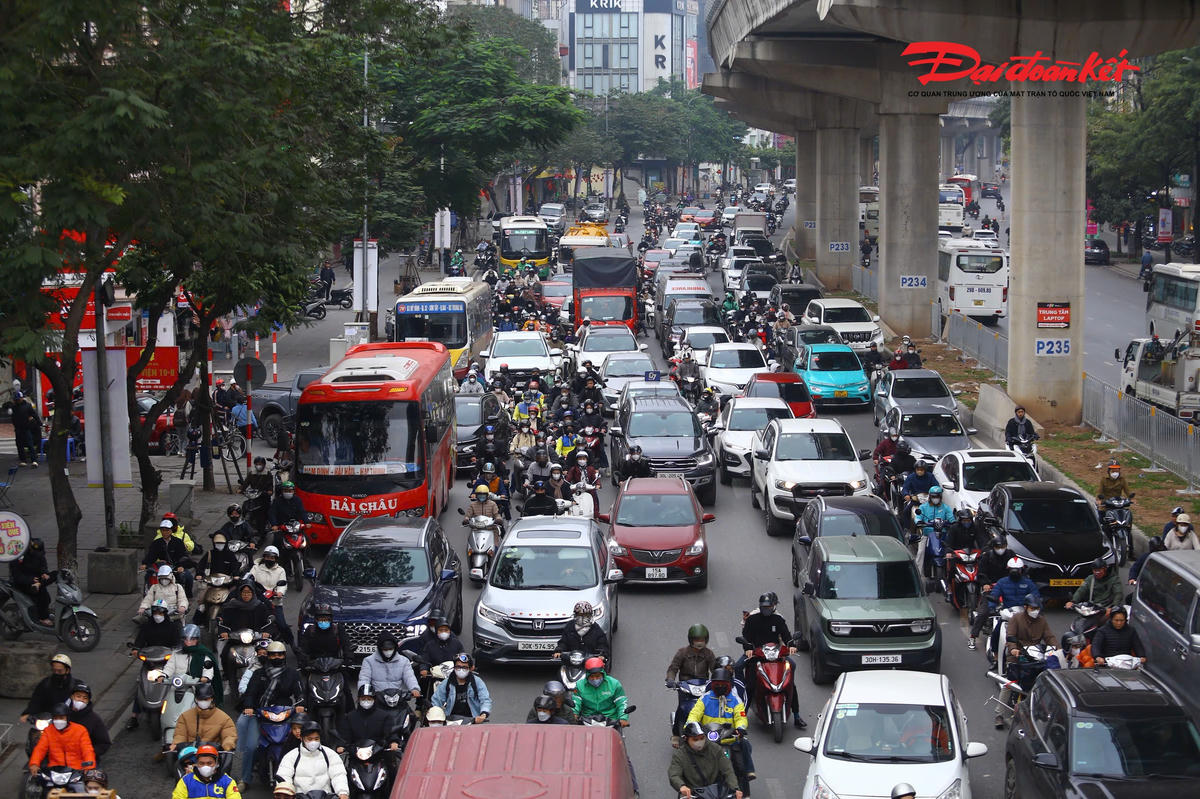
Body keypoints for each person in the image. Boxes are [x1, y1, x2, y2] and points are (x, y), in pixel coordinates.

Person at [738, 592, 805, 728]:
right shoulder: (752, 619)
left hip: (775, 655)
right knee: (746, 678)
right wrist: (748, 648)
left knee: (790, 678)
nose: (766, 609)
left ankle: (797, 715)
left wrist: (791, 645)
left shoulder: (778, 619)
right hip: (756, 655)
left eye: (769, 607)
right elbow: (746, 637)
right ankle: (742, 715)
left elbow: (786, 636)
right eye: (764, 607)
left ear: (773, 606)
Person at [995, 594, 1057, 727]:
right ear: (1026, 607)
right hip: (1017, 656)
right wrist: (1013, 649)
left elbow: (1049, 637)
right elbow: (1010, 636)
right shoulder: (1016, 619)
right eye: (1032, 608)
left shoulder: (1042, 621)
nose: (1035, 611)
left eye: (1037, 608)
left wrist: (1058, 649)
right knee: (1009, 684)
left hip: (1036, 656)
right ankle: (999, 714)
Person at [686, 667, 755, 777]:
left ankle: (748, 777)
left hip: (730, 738)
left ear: (729, 684)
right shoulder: (705, 698)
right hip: (708, 738)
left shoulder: (736, 700)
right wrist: (690, 726)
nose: (720, 686)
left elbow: (741, 717)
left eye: (723, 684)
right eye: (717, 684)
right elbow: (694, 714)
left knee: (743, 754)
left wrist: (741, 728)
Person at [668, 721, 743, 799]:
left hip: (717, 792)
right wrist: (681, 786)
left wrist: (735, 788)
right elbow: (674, 774)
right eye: (695, 739)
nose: (699, 742)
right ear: (686, 739)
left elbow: (727, 770)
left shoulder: (715, 748)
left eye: (702, 738)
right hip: (693, 794)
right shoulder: (680, 754)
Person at [276, 721, 349, 799]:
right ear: (302, 738)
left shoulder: (330, 754)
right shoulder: (291, 756)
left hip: (325, 796)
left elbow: (338, 775)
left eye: (316, 739)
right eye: (309, 739)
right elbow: (284, 776)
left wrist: (342, 792)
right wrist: (286, 793)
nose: (313, 742)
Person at [28, 703, 95, 783]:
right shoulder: (48, 731)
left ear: (67, 718)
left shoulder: (80, 730)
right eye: (56, 718)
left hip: (76, 771)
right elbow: (40, 749)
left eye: (61, 718)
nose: (58, 720)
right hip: (54, 771)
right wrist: (34, 763)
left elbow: (87, 750)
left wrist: (89, 766)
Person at [335, 685, 406, 754]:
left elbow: (390, 732)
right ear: (358, 700)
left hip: (379, 752)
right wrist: (341, 745)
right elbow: (344, 735)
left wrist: (393, 742)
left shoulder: (384, 716)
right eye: (363, 699)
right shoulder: (350, 717)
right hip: (356, 752)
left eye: (369, 699)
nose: (366, 701)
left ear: (374, 700)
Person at [240, 641, 305, 715]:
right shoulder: (258, 673)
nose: (276, 657)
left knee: (301, 720)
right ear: (268, 656)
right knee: (242, 721)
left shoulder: (292, 673)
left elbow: (300, 692)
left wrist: (301, 705)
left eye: (280, 655)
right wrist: (248, 706)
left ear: (284, 656)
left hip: (284, 711)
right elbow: (250, 692)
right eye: (273, 655)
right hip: (259, 711)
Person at [171, 682, 237, 754]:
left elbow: (229, 735)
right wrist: (176, 744)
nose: (203, 701)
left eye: (206, 699)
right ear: (196, 699)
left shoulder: (224, 718)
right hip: (190, 754)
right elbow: (180, 735)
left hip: (213, 755)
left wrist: (228, 745)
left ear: (212, 699)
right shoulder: (185, 716)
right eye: (200, 699)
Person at [247, 546, 292, 645]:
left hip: (274, 603)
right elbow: (250, 579)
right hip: (257, 602)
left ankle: (293, 645)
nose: (269, 559)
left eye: (272, 558)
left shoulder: (280, 570)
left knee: (282, 625)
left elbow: (283, 585)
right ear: (264, 557)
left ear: (276, 559)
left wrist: (280, 593)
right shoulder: (256, 568)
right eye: (267, 557)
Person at [430, 653, 492, 724]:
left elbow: (485, 699)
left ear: (471, 668)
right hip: (451, 720)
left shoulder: (477, 682)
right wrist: (435, 714)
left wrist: (483, 714)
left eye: (464, 667)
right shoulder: (447, 683)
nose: (461, 670)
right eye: (458, 667)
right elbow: (437, 700)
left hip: (473, 720)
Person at [359, 632, 420, 699]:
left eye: (390, 649)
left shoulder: (404, 661)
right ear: (380, 649)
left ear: (395, 648)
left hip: (398, 698)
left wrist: (414, 688)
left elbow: (409, 677)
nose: (388, 651)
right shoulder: (368, 661)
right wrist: (365, 692)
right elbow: (364, 678)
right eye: (385, 649)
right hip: (377, 697)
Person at [9, 537, 55, 626]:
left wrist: (44, 573)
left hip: (36, 582)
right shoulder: (19, 556)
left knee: (47, 597)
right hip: (22, 583)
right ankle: (42, 618)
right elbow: (17, 576)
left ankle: (41, 615)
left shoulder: (40, 556)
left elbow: (43, 567)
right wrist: (30, 580)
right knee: (41, 597)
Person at [141, 519, 192, 597]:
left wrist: (181, 566)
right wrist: (145, 564)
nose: (165, 532)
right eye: (163, 530)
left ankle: (187, 596)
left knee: (188, 576)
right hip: (162, 567)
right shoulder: (156, 543)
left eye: (167, 530)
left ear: (171, 531)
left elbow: (183, 556)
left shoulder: (178, 542)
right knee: (148, 575)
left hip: (176, 566)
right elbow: (151, 555)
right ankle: (147, 594)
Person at [172, 744, 242, 799]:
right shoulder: (186, 781)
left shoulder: (227, 781)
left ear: (217, 763)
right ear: (196, 764)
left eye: (209, 763)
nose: (205, 766)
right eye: (201, 763)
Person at [913, 485, 954, 577]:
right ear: (930, 497)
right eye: (933, 496)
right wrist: (918, 521)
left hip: (943, 535)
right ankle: (917, 575)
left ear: (941, 497)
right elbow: (918, 517)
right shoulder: (923, 507)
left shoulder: (946, 508)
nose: (935, 498)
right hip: (927, 535)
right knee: (920, 552)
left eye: (937, 496)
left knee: (952, 553)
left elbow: (951, 519)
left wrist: (953, 522)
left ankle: (952, 575)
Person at [572, 657, 628, 725]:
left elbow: (621, 702)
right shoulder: (579, 685)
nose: (595, 679)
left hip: (610, 719)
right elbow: (576, 701)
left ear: (603, 673)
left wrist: (623, 717)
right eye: (592, 676)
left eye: (598, 676)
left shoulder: (614, 684)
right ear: (587, 675)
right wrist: (574, 713)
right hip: (587, 719)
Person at [65, 683, 110, 761]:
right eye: (78, 696)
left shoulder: (94, 719)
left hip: (85, 761)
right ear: (72, 697)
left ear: (88, 701)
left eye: (85, 698)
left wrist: (88, 753)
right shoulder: (63, 715)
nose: (81, 700)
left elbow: (104, 743)